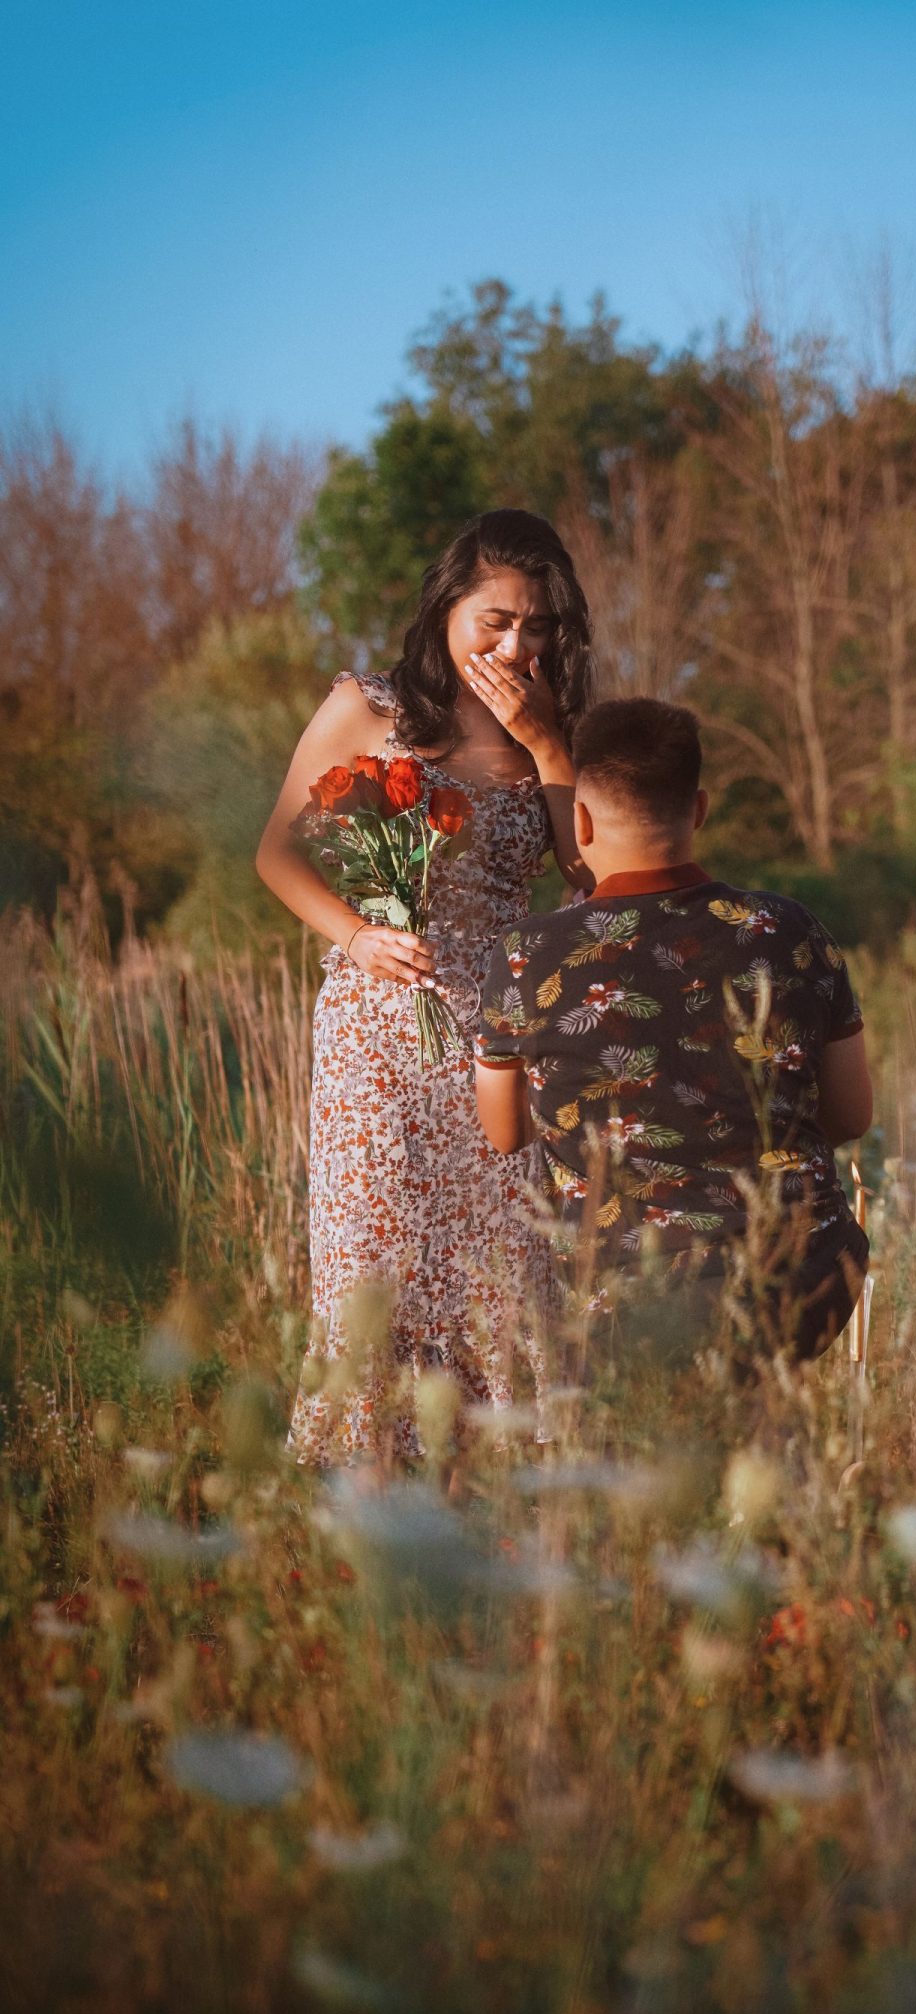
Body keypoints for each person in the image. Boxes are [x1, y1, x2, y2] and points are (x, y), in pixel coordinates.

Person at [256, 509, 594, 1462]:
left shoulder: (557, 736)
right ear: (447, 610)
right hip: (375, 1027)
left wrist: (551, 750)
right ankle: (361, 1514)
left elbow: (590, 884)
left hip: (494, 1040)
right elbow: (276, 854)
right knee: (373, 1262)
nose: (515, 643)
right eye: (494, 620)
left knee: (500, 1272)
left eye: (536, 626)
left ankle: (490, 1501)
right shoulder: (369, 708)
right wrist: (358, 935)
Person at [473, 697, 873, 1370]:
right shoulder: (790, 929)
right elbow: (851, 1114)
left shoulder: (526, 954)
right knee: (756, 1424)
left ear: (580, 820)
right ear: (699, 810)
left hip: (628, 1292)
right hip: (802, 1275)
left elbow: (506, 1132)